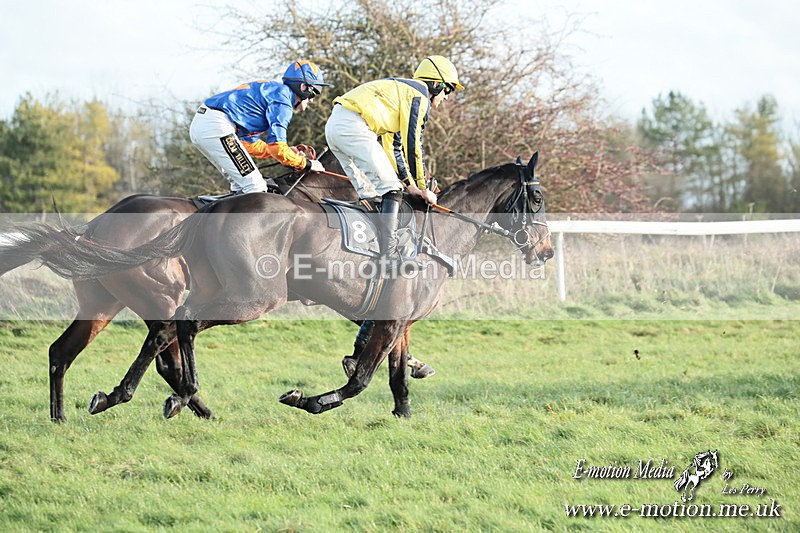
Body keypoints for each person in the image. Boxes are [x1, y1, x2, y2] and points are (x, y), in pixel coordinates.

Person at [324, 55, 463, 270]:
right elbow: (413, 145)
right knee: (391, 190)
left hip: (335, 126)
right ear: (436, 84)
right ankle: (388, 257)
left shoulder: (401, 96)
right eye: (448, 90)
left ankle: (366, 250)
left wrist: (411, 185)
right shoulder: (419, 97)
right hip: (354, 127)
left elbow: (394, 148)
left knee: (371, 194)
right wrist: (424, 188)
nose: (446, 98)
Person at [190, 60, 330, 194]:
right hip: (216, 125)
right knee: (256, 186)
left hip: (206, 124)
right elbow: (277, 148)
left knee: (240, 185)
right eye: (314, 92)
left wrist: (287, 152)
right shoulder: (283, 102)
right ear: (304, 87)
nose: (312, 100)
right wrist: (306, 163)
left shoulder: (275, 92)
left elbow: (249, 145)